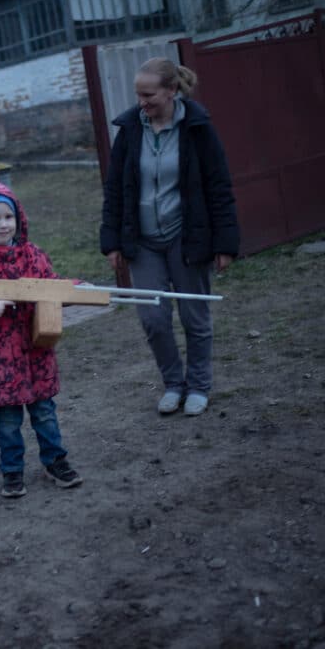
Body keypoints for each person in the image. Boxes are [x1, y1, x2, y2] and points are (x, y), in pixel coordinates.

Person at [100, 57, 239, 417]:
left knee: (195, 317)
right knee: (153, 319)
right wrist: (112, 241)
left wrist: (225, 244)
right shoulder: (130, 130)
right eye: (137, 94)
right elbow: (115, 189)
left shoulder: (197, 128)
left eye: (149, 94)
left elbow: (219, 187)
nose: (141, 102)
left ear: (172, 90)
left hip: (187, 238)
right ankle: (173, 384)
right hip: (143, 241)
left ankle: (199, 386)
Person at [0, 182, 83, 498]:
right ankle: (12, 471)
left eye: (8, 216)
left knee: (45, 413)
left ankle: (55, 461)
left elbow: (51, 285)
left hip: (36, 351)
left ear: (18, 218)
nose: (3, 224)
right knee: (7, 420)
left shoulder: (33, 255)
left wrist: (78, 289)